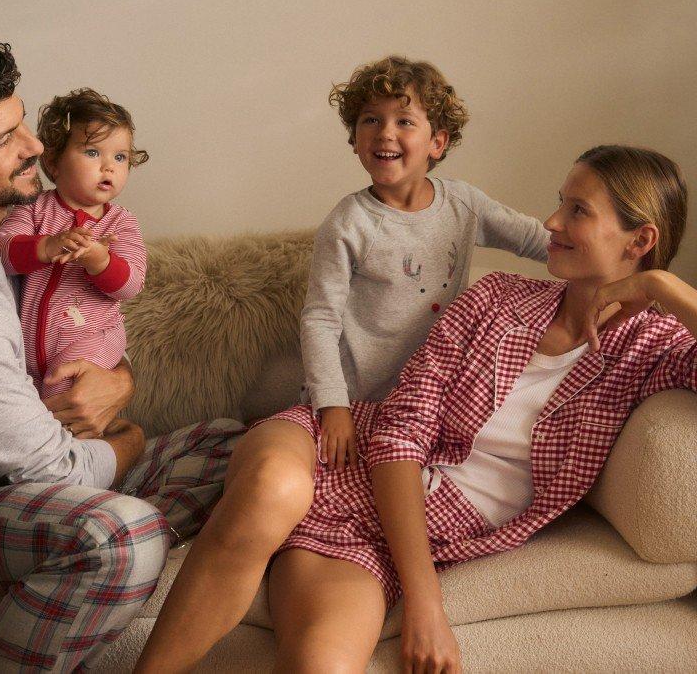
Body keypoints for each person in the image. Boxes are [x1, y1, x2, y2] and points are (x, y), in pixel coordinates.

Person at [136, 144, 693, 673]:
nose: (550, 222)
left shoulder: (655, 349)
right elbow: (401, 431)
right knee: (270, 491)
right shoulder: (496, 297)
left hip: (397, 531)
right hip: (344, 445)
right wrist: (426, 604)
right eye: (559, 202)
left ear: (639, 239)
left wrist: (665, 287)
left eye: (577, 210)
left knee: (321, 664)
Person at [0, 33, 243, 673]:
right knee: (125, 536)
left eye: (21, 122)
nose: (34, 147)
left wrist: (120, 383)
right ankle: (118, 550)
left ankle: (103, 547)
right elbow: (52, 473)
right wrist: (132, 440)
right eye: (3, 140)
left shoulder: (11, 235)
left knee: (239, 442)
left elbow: (83, 331)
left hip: (17, 476)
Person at [299, 56, 549, 471]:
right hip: (359, 399)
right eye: (370, 120)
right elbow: (320, 320)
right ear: (355, 139)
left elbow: (536, 240)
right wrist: (333, 405)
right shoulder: (349, 222)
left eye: (404, 121)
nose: (385, 133)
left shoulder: (464, 204)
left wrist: (609, 261)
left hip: (432, 401)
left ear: (438, 142)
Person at [0, 88, 148, 398]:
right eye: (92, 152)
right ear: (53, 162)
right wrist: (46, 246)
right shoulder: (34, 208)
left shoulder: (121, 222)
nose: (109, 166)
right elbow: (0, 250)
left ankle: (76, 445)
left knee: (63, 388)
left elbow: (131, 284)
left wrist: (98, 259)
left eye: (120, 157)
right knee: (27, 402)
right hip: (30, 349)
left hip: (93, 338)